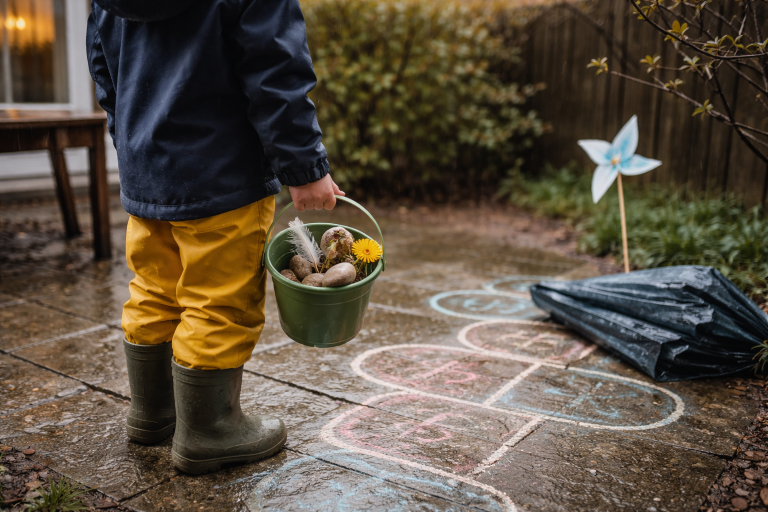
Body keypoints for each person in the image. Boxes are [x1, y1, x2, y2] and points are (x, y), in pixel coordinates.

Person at [86, 0, 342, 475]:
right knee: (219, 301)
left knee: (154, 290)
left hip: (149, 174)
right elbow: (275, 71)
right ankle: (209, 430)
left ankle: (152, 414)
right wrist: (305, 169)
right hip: (224, 176)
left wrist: (135, 149)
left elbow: (104, 69)